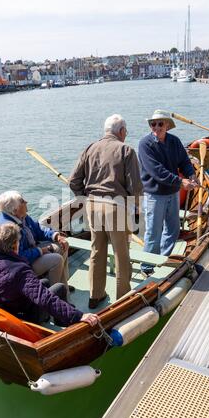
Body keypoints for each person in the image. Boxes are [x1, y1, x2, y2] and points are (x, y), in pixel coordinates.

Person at [69, 114, 143, 307]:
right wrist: (135, 207)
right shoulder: (126, 150)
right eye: (125, 131)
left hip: (92, 205)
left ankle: (95, 295)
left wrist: (84, 196)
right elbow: (135, 187)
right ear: (121, 131)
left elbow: (73, 181)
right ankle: (123, 300)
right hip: (115, 206)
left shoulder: (89, 148)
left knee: (96, 250)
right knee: (121, 253)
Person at [0, 223, 99, 328]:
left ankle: (53, 317)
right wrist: (78, 316)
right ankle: (64, 324)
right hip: (18, 320)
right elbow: (44, 298)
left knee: (45, 282)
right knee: (59, 288)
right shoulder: (19, 270)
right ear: (15, 245)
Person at [138, 109, 198, 275]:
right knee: (153, 232)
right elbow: (157, 171)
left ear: (167, 126)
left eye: (160, 123)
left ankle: (163, 260)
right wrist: (181, 181)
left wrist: (191, 174)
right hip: (154, 196)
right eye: (153, 124)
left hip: (172, 193)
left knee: (173, 229)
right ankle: (147, 267)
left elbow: (184, 161)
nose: (156, 127)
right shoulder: (144, 144)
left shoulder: (175, 141)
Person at [0, 190, 74, 292]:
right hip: (22, 266)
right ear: (14, 210)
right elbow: (18, 257)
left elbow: (38, 230)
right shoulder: (9, 229)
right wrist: (41, 251)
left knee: (62, 245)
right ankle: (56, 294)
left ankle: (63, 286)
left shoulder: (22, 217)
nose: (26, 202)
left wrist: (56, 236)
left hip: (32, 252)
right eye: (22, 201)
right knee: (57, 259)